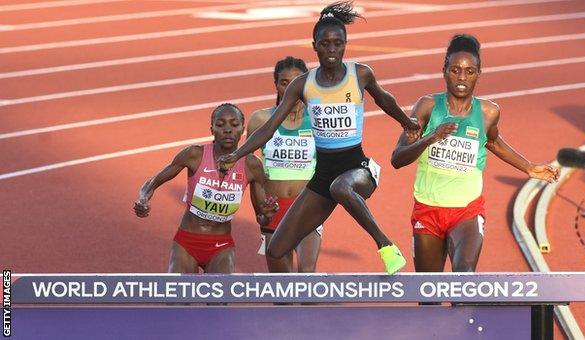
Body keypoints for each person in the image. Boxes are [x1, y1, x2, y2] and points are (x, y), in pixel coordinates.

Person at [217, 1, 420, 275]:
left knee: (341, 187)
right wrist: (237, 154)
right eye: (325, 44)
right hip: (322, 178)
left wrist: (407, 122)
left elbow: (385, 99)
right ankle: (292, 311)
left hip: (357, 170)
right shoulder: (303, 84)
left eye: (338, 43)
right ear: (314, 46)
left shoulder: (360, 73)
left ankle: (385, 245)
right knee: (276, 249)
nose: (332, 50)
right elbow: (269, 128)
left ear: (346, 44)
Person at [391, 34, 560, 274]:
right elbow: (397, 158)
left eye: (470, 72)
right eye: (455, 70)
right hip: (427, 210)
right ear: (444, 70)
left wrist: (529, 167)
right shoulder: (427, 107)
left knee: (465, 277)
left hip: (466, 211)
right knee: (428, 295)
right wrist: (431, 138)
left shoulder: (489, 112)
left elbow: (492, 141)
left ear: (479, 74)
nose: (462, 78)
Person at [133, 103, 277, 274]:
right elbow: (153, 181)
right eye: (221, 124)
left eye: (234, 124)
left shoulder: (252, 165)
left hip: (221, 245)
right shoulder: (194, 155)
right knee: (179, 298)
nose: (228, 129)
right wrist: (143, 198)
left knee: (219, 299)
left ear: (242, 129)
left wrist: (266, 216)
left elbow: (261, 219)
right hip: (187, 242)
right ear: (212, 129)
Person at [248, 56, 322, 273]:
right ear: (276, 85)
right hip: (274, 210)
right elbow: (249, 168)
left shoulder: (318, 119)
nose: (291, 87)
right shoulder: (260, 119)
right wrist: (260, 210)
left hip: (306, 207)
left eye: (297, 81)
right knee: (282, 287)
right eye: (284, 82)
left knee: (307, 276)